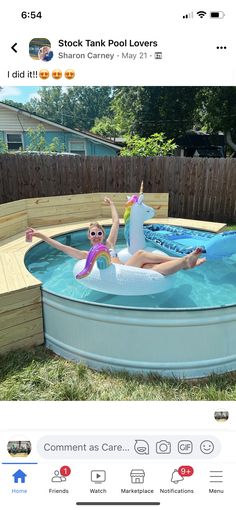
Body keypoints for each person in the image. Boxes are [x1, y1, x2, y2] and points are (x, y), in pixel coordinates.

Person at [26, 197, 206, 276]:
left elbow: (115, 221)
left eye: (98, 233)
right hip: (120, 273)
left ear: (102, 235)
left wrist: (112, 203)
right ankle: (184, 259)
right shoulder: (87, 254)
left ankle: (185, 264)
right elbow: (62, 247)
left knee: (151, 267)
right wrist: (41, 235)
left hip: (129, 269)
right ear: (89, 237)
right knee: (141, 254)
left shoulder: (110, 243)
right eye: (93, 234)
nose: (96, 236)